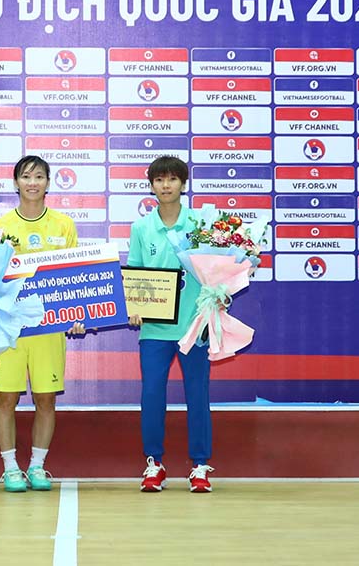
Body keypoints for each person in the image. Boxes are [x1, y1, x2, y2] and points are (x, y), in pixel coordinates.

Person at [0, 155, 84, 493]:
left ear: (49, 183)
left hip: (49, 328)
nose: (32, 183)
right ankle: (10, 468)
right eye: (25, 176)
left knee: (46, 400)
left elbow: (74, 278)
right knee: (6, 399)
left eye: (39, 176)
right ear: (16, 182)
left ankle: (36, 466)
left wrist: (77, 313)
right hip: (8, 327)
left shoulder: (64, 224)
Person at [127, 155, 215, 493]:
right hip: (154, 329)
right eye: (159, 180)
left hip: (194, 326)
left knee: (198, 395)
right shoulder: (141, 228)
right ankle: (154, 463)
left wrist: (219, 292)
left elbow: (216, 268)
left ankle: (200, 465)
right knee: (151, 395)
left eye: (172, 179)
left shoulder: (201, 225)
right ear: (150, 185)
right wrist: (135, 306)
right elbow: (135, 271)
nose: (166, 185)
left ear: (183, 183)